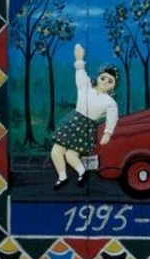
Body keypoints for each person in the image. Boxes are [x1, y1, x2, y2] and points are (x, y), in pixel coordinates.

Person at [51, 43, 119, 189]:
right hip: (73, 121)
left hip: (86, 127)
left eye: (110, 81)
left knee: (71, 154)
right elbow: (80, 72)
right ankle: (64, 176)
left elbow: (112, 118)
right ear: (99, 77)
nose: (106, 82)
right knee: (56, 150)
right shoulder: (86, 86)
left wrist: (108, 132)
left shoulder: (110, 102)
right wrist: (79, 58)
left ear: (113, 85)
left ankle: (81, 172)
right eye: (104, 78)